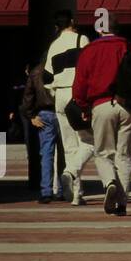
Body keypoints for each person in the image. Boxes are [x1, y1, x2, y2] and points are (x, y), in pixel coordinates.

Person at [71, 19, 131, 216]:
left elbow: (80, 83)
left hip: (101, 104)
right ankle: (122, 203)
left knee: (103, 152)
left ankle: (109, 182)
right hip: (128, 106)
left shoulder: (90, 50)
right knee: (124, 155)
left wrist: (82, 105)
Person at [44, 10, 93, 206]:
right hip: (77, 94)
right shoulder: (82, 39)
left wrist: (55, 91)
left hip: (60, 95)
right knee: (90, 141)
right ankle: (70, 171)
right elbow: (88, 67)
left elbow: (47, 77)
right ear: (72, 22)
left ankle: (75, 193)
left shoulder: (53, 45)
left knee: (69, 146)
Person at [19, 61, 59, 203]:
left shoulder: (36, 72)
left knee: (47, 152)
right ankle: (62, 189)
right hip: (61, 111)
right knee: (65, 152)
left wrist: (31, 116)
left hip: (44, 113)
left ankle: (46, 191)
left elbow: (28, 96)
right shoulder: (63, 65)